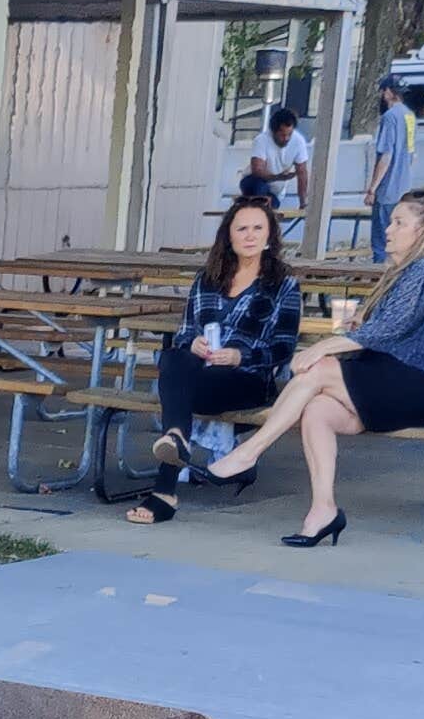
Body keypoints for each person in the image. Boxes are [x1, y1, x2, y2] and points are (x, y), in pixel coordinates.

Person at [200, 189, 424, 544]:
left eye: (399, 222)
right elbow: (394, 329)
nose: (388, 229)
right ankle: (323, 511)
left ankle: (248, 453)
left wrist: (323, 347)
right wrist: (357, 327)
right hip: (396, 382)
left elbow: (389, 330)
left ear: (422, 231)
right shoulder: (406, 271)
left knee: (319, 369)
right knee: (317, 410)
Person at [124, 197, 304, 522]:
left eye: (258, 228)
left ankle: (166, 484)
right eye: (242, 229)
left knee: (177, 381)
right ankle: (175, 444)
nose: (250, 235)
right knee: (174, 357)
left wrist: (239, 355)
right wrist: (192, 344)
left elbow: (283, 349)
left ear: (270, 235)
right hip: (200, 375)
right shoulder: (207, 278)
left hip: (247, 380)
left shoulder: (283, 284)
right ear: (229, 236)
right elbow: (183, 334)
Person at [363, 75, 418, 250]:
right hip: (404, 189)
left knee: (382, 243)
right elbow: (411, 154)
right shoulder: (410, 116)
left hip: (387, 191)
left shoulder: (389, 117)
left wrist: (372, 189)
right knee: (399, 243)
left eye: (383, 90)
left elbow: (386, 156)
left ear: (388, 92)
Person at [255, 103, 312, 230]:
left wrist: (303, 202)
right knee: (258, 186)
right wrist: (278, 177)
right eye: (282, 135)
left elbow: (302, 173)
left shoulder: (298, 142)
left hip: (275, 191)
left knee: (270, 210)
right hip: (255, 184)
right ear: (273, 132)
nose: (286, 138)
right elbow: (257, 170)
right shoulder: (262, 140)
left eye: (289, 134)